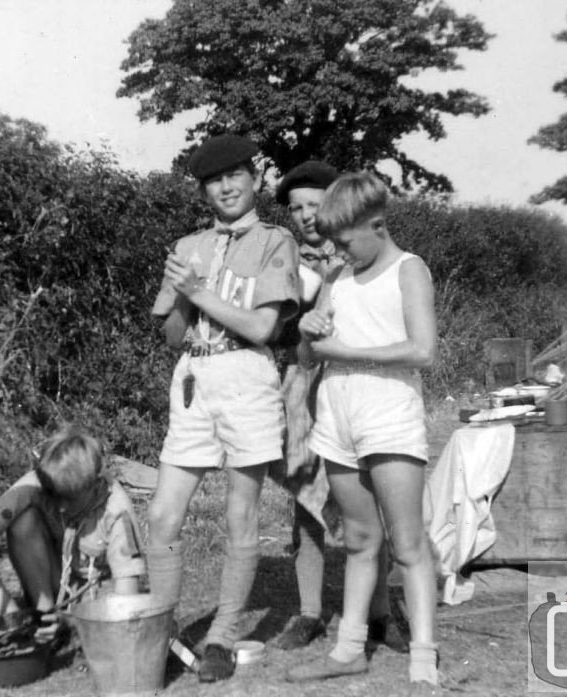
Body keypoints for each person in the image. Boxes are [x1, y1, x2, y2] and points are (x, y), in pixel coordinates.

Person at [148, 134, 300, 683]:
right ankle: (159, 631)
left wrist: (201, 292)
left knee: (241, 512)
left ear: (255, 179)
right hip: (193, 374)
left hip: (246, 376)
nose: (227, 186)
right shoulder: (188, 245)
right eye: (215, 179)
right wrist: (182, 295)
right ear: (204, 189)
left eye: (236, 174)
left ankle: (221, 637)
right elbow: (171, 335)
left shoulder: (275, 241)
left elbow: (263, 326)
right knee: (163, 513)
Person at [285, 172, 439, 695]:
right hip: (338, 419)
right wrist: (307, 336)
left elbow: (422, 351)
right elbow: (310, 356)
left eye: (346, 241)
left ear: (376, 224)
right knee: (358, 541)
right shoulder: (338, 279)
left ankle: (423, 657)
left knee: (409, 543)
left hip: (389, 418)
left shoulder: (408, 270)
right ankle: (349, 649)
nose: (339, 251)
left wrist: (342, 353)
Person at [270, 162, 408, 654]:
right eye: (297, 208)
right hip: (303, 381)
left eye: (315, 205)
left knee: (367, 493)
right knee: (306, 493)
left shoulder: (362, 254)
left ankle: (380, 614)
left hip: (359, 383)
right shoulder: (282, 256)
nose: (307, 216)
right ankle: (309, 613)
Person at [0, 426, 146, 636]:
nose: (60, 507)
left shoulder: (117, 512)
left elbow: (127, 602)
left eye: (69, 498)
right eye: (53, 495)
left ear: (94, 485)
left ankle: (60, 625)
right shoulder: (42, 480)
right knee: (24, 521)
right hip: (61, 583)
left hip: (98, 597)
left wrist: (73, 622)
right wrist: (9, 613)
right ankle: (44, 618)